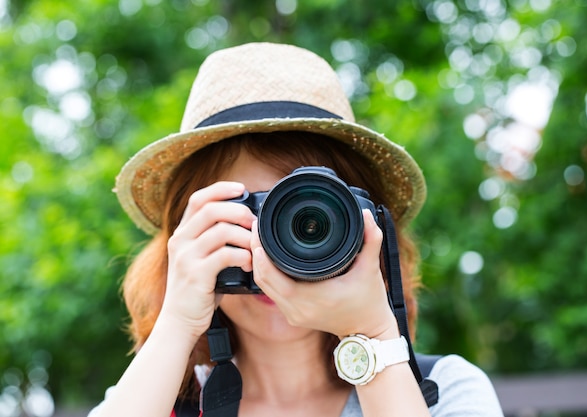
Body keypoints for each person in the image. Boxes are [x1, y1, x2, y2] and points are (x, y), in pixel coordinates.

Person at [90, 42, 503, 417]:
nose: (275, 257)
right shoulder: (152, 402)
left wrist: (375, 335)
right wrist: (177, 323)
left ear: (368, 229)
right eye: (247, 216)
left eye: (309, 219)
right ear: (188, 239)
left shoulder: (445, 392)